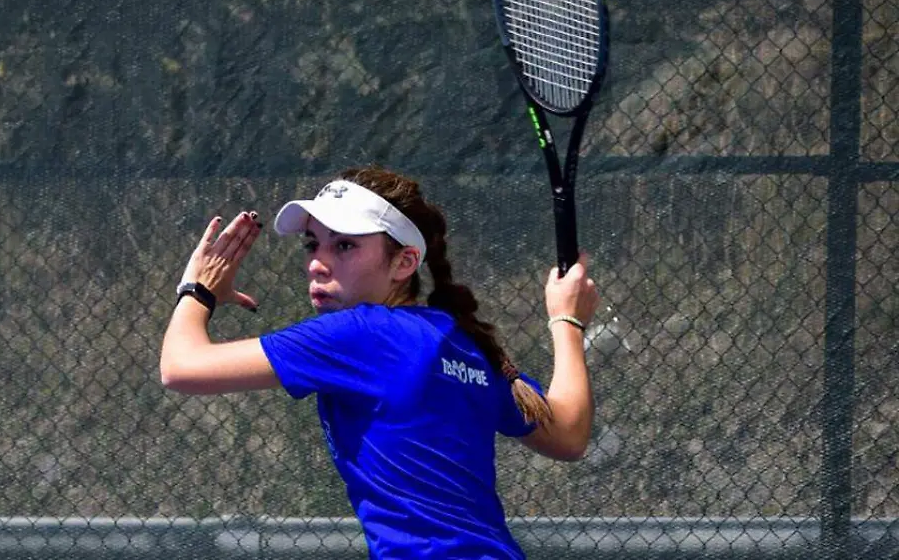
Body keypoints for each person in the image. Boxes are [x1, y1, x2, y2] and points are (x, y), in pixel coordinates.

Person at [159, 165, 599, 560]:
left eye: (345, 245)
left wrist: (199, 290)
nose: (317, 262)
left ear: (404, 262)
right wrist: (567, 319)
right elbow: (568, 434)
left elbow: (181, 367)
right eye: (313, 244)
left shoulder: (359, 335)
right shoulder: (465, 343)